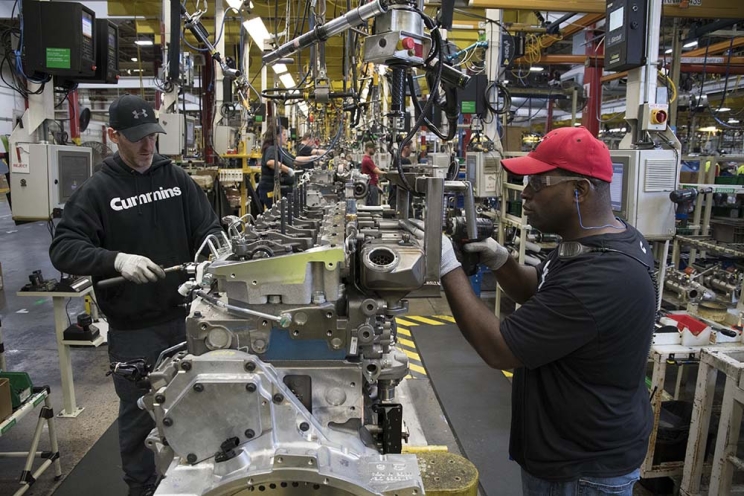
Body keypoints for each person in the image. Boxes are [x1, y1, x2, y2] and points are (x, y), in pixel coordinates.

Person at [440, 126, 655, 495]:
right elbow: (539, 285)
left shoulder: (603, 275)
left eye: (538, 184)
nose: (525, 194)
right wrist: (499, 259)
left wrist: (446, 265)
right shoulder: (596, 239)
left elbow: (499, 349)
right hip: (571, 450)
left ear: (579, 190)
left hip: (582, 470)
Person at [49, 95, 223, 496]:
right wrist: (115, 260)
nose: (147, 146)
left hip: (188, 316)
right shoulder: (97, 190)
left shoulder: (175, 179)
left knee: (203, 401)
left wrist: (213, 252)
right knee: (140, 413)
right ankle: (141, 487)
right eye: (137, 138)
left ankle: (205, 480)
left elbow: (208, 228)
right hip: (134, 330)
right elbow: (63, 249)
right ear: (113, 136)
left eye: (152, 136)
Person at [258, 127, 314, 209]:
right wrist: (288, 170)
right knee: (279, 214)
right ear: (276, 137)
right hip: (272, 191)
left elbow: (295, 160)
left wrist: (312, 158)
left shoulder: (282, 150)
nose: (286, 137)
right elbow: (270, 162)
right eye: (284, 134)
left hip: (282, 190)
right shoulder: (272, 148)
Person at [360, 141, 384, 206]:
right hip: (371, 186)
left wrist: (377, 185)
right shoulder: (367, 160)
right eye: (373, 149)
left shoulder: (367, 159)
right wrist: (386, 173)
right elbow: (376, 171)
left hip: (373, 185)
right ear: (368, 149)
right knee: (373, 206)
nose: (374, 151)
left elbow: (372, 174)